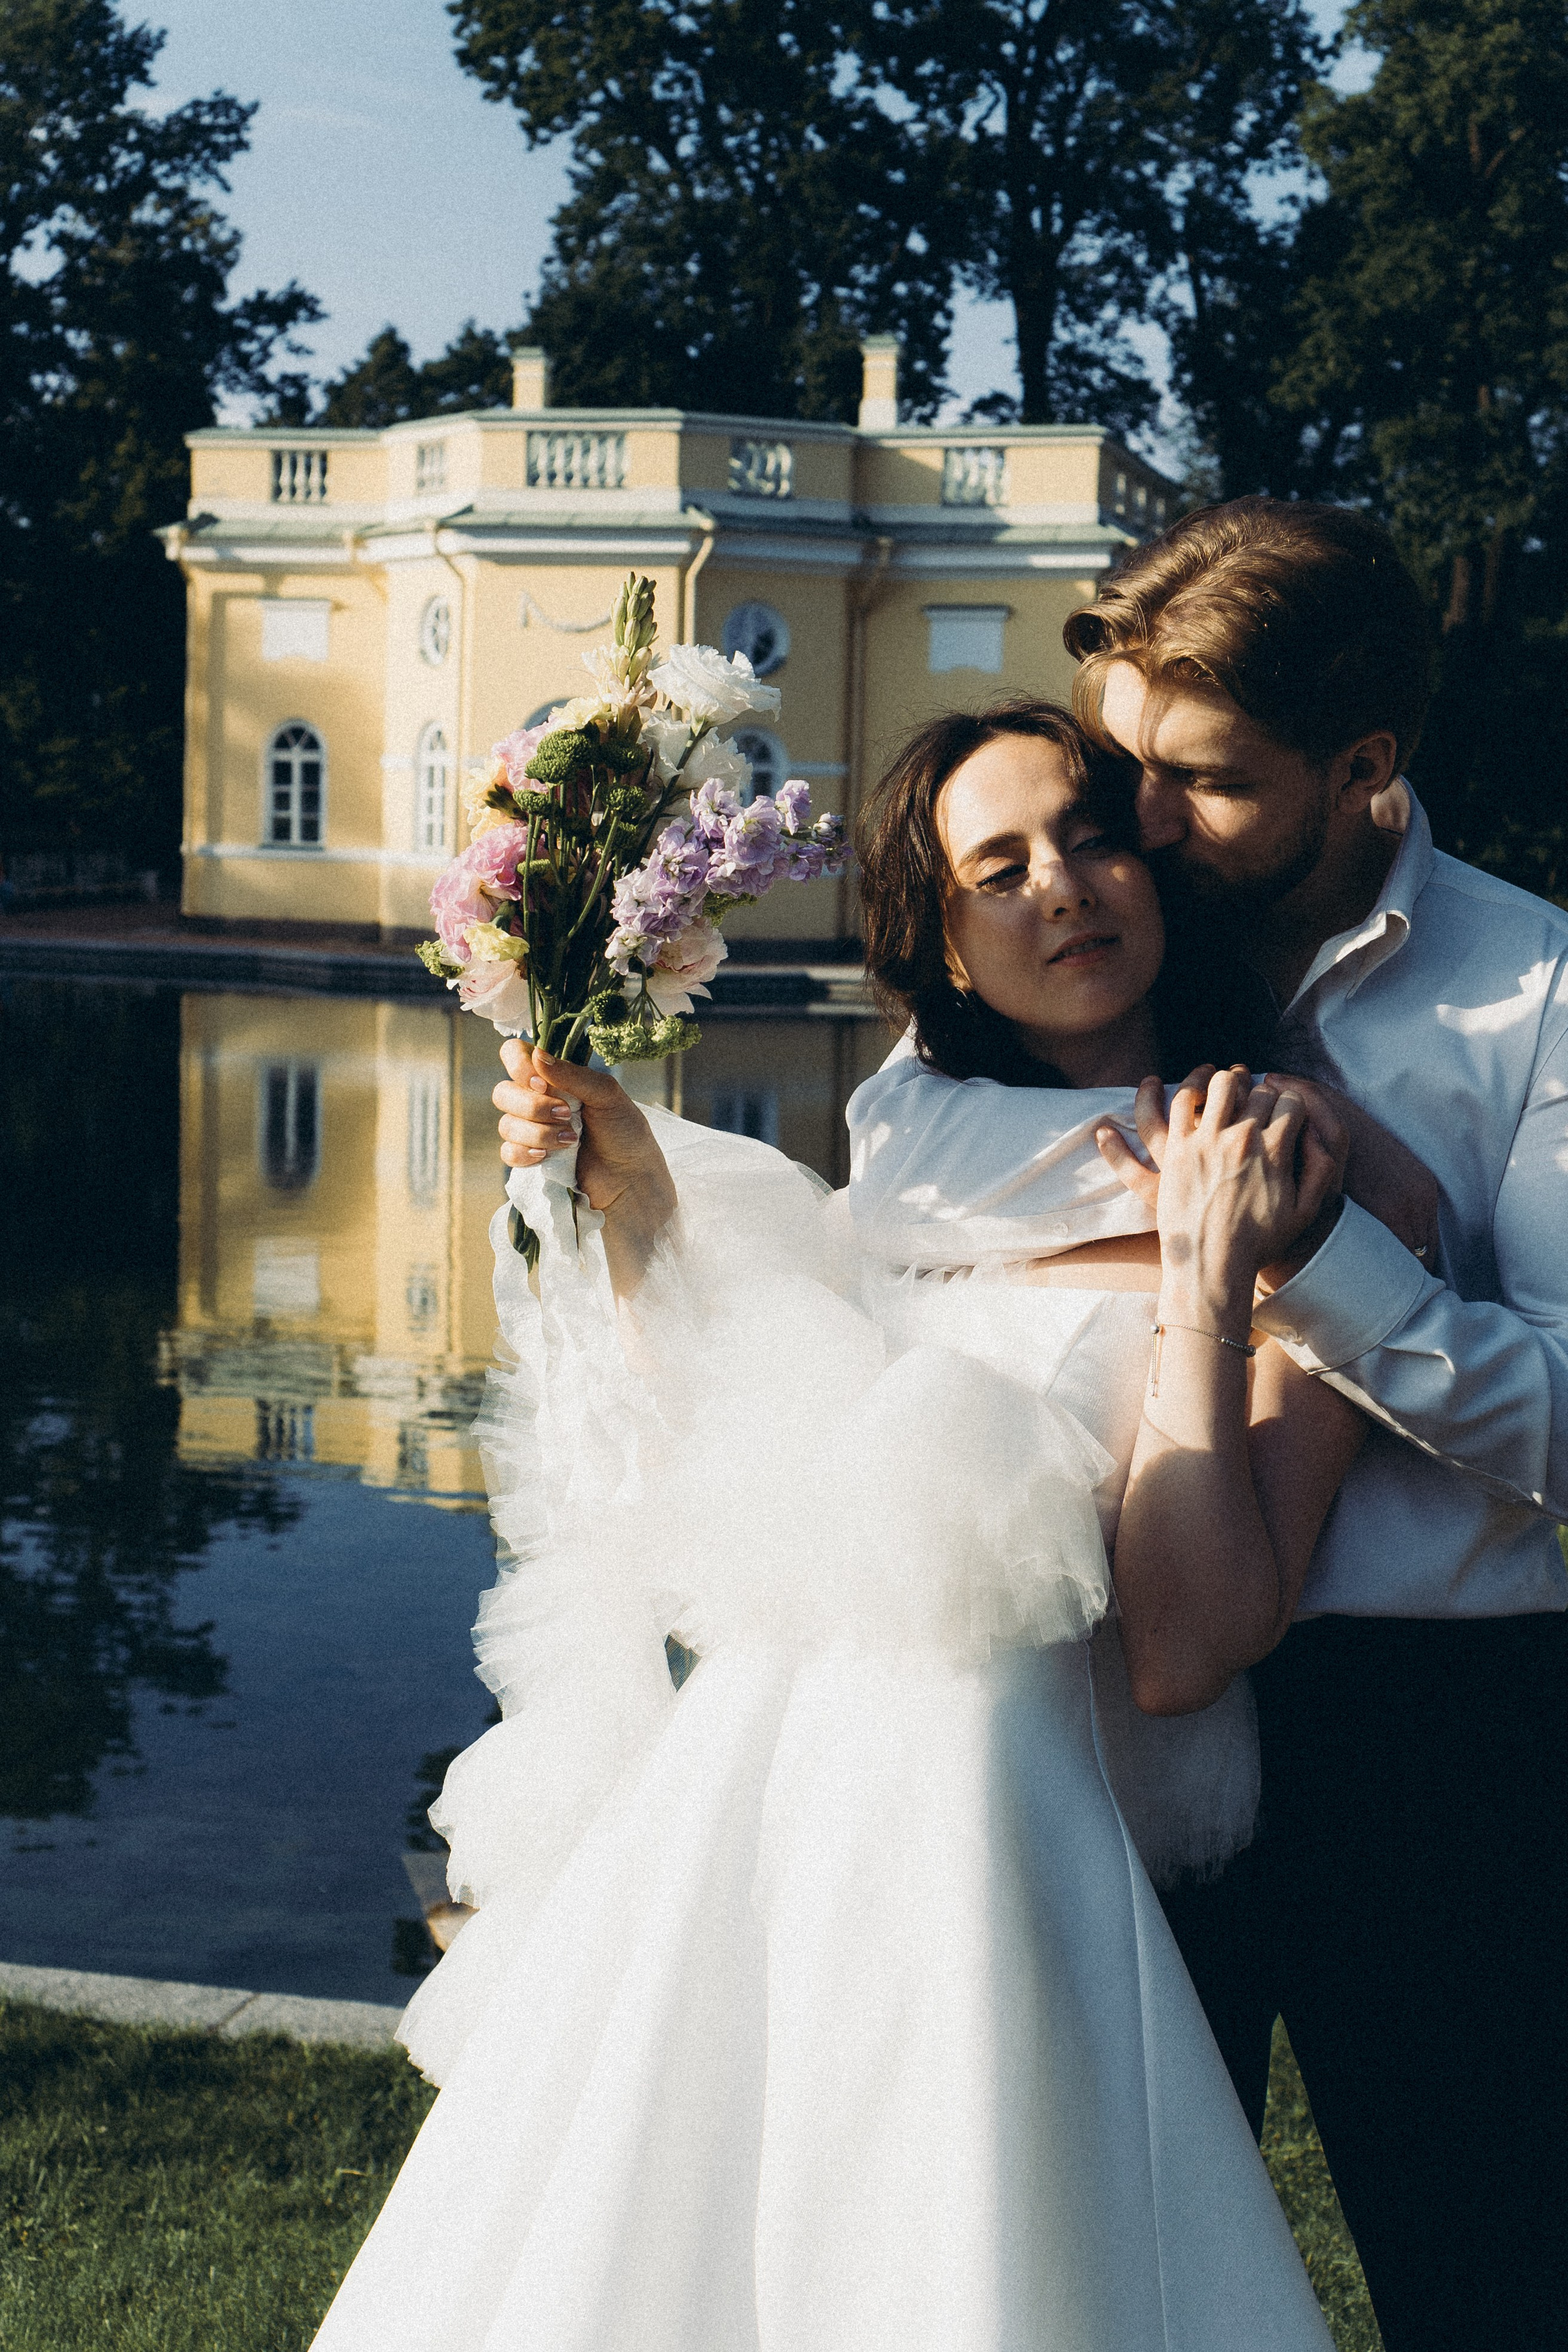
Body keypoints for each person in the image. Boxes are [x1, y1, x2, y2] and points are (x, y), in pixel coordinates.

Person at [307, 702, 1380, 2351]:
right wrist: (632, 1199)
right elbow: (746, 1479)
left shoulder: (1278, 1164)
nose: (1064, 892)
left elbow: (1185, 1649)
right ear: (944, 940)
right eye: (998, 867)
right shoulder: (913, 1167)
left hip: (1009, 1858)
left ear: (1158, 865)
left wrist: (1205, 1282)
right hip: (766, 1822)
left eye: (1093, 838)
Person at [846, 499, 1568, 2352]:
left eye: (1199, 783)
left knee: (1487, 2267)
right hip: (1119, 1739)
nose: (1136, 830)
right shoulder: (1082, 991)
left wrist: (1324, 1267)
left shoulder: (1538, 997)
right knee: (1120, 2273)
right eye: (1121, 773)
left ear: (1364, 769)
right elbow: (900, 1218)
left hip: (1440, 1742)